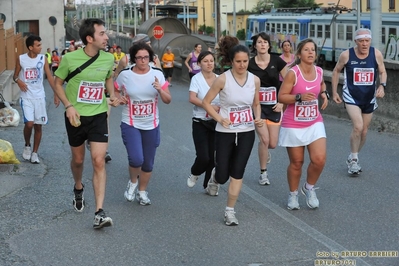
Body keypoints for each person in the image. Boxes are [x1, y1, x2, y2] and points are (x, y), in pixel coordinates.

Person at [53, 18, 117, 229]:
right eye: (102, 34)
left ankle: (99, 212)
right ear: (89, 38)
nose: (106, 37)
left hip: (98, 114)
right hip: (76, 116)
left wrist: (113, 94)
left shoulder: (108, 59)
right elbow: (58, 82)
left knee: (99, 160)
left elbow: (108, 77)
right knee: (78, 160)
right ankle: (78, 187)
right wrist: (68, 105)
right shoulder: (70, 59)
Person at [202, 38, 263, 226]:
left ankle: (230, 211)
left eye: (245, 61)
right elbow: (206, 102)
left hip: (246, 131)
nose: (242, 65)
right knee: (222, 176)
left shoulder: (255, 80)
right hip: (225, 132)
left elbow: (256, 103)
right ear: (232, 61)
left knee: (238, 171)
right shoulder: (223, 79)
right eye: (238, 61)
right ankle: (215, 176)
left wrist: (258, 117)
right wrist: (220, 118)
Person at [115, 41, 171, 206]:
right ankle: (133, 183)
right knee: (136, 158)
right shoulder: (125, 74)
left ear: (151, 58)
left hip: (151, 123)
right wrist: (120, 98)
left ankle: (142, 191)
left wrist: (160, 89)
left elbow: (168, 99)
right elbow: (114, 89)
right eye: (139, 58)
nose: (143, 60)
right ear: (133, 59)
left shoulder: (158, 74)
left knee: (148, 162)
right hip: (130, 122)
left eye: (146, 57)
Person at [278, 38, 329, 210]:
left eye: (313, 50)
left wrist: (324, 94)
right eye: (306, 50)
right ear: (299, 54)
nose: (310, 52)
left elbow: (321, 85)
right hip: (293, 123)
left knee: (319, 159)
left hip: (314, 121)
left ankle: (309, 188)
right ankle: (293, 195)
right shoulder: (293, 73)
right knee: (297, 162)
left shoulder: (319, 71)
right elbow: (281, 96)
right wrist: (298, 97)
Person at [331, 28, 387, 175]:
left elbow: (382, 71)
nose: (364, 44)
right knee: (358, 126)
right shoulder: (346, 55)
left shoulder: (376, 54)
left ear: (370, 41)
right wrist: (335, 91)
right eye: (361, 41)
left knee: (364, 131)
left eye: (367, 41)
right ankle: (354, 161)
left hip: (369, 96)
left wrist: (382, 85)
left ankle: (352, 155)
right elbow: (336, 71)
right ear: (355, 41)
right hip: (351, 96)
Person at [247, 32, 288, 186]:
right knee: (264, 140)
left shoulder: (277, 61)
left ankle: (265, 152)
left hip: (275, 106)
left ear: (269, 45)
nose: (262, 44)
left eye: (265, 42)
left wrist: (282, 102)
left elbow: (289, 81)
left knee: (272, 143)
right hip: (257, 107)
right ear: (255, 46)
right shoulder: (250, 64)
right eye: (259, 42)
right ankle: (263, 173)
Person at [13, 35, 58, 164]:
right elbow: (14, 75)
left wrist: (55, 94)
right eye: (38, 45)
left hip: (39, 97)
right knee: (29, 124)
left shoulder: (43, 58)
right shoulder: (21, 59)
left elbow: (49, 77)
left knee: (38, 126)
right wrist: (19, 81)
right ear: (30, 47)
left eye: (40, 45)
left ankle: (35, 153)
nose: (40, 47)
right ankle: (27, 145)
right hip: (26, 97)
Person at [187, 51, 219, 189]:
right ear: (199, 63)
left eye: (211, 61)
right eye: (205, 61)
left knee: (213, 157)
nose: (209, 63)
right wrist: (208, 106)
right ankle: (195, 173)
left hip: (216, 122)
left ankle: (208, 185)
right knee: (203, 156)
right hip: (200, 121)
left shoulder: (220, 79)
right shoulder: (196, 79)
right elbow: (192, 98)